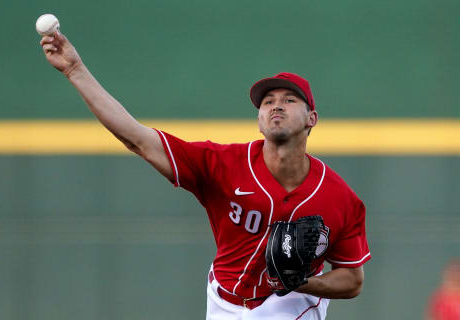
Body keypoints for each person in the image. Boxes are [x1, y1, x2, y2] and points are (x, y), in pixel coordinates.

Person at [40, 31, 371, 320]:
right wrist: (74, 70)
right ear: (258, 118)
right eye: (267, 101)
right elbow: (138, 139)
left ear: (311, 118)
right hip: (223, 303)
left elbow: (353, 280)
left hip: (291, 306)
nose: (276, 105)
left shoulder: (339, 198)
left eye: (289, 99)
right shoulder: (222, 163)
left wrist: (302, 283)